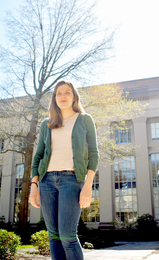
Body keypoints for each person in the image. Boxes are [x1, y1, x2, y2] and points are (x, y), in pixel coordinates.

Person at [29, 80, 99, 260]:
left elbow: (93, 154)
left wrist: (87, 185)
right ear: (54, 98)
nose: (63, 96)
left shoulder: (84, 119)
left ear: (74, 96)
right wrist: (34, 186)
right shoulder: (47, 124)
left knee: (67, 235)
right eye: (58, 93)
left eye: (67, 92)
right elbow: (38, 157)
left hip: (72, 181)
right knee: (54, 236)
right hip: (46, 183)